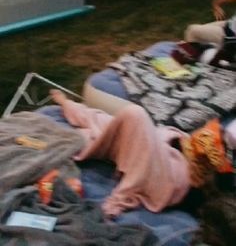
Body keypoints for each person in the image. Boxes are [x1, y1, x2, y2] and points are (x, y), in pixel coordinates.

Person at [49, 89, 235, 219]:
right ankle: (67, 105)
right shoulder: (202, 148)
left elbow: (164, 181)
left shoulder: (193, 181)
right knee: (104, 121)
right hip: (155, 145)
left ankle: (69, 107)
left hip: (162, 166)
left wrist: (115, 202)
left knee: (133, 115)